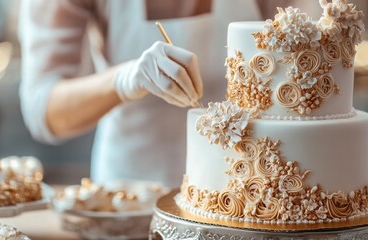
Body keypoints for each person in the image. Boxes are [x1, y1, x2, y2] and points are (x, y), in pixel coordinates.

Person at [18, 0, 366, 188]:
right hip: (130, 197)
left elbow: (306, 59)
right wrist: (125, 80)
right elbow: (43, 110)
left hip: (244, 199)